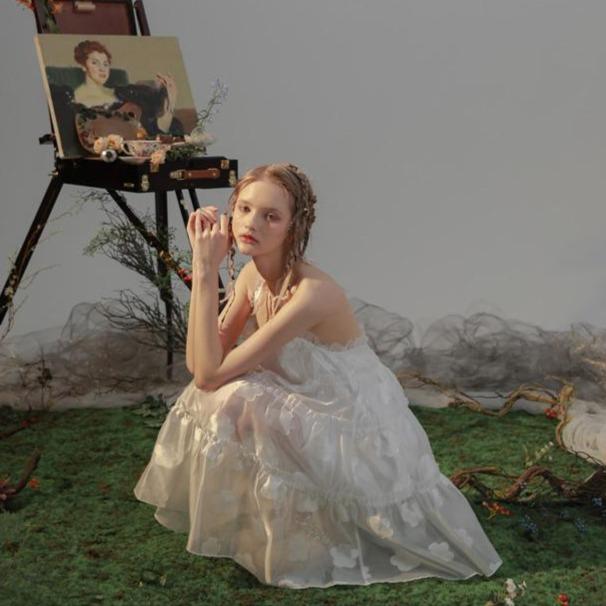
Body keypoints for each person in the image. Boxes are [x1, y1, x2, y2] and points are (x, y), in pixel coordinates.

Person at [133, 163, 503, 588]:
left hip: (346, 420)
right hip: (300, 397)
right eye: (245, 209)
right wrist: (204, 270)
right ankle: (261, 524)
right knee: (221, 398)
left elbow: (208, 373)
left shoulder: (313, 293)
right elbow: (200, 367)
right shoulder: (252, 275)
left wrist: (205, 266)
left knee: (240, 397)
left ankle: (314, 533)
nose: (251, 224)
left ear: (294, 227)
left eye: (271, 216)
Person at [49, 39, 183, 157]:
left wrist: (170, 104)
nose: (102, 69)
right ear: (83, 66)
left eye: (105, 64)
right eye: (95, 63)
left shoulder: (128, 94)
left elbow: (152, 134)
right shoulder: (68, 98)